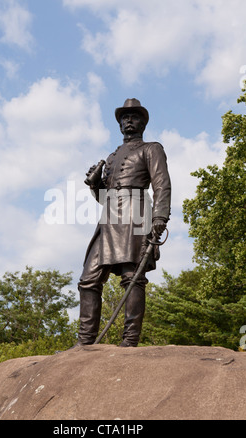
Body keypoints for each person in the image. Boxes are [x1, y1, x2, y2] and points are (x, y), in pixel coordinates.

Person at [77, 98, 171, 347]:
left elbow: (161, 184)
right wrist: (95, 184)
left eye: (133, 116)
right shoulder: (112, 156)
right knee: (89, 278)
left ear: (143, 122)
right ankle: (85, 342)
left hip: (137, 212)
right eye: (124, 117)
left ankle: (129, 340)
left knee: (133, 277)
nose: (128, 120)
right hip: (109, 217)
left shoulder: (152, 148)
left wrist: (160, 216)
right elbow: (102, 198)